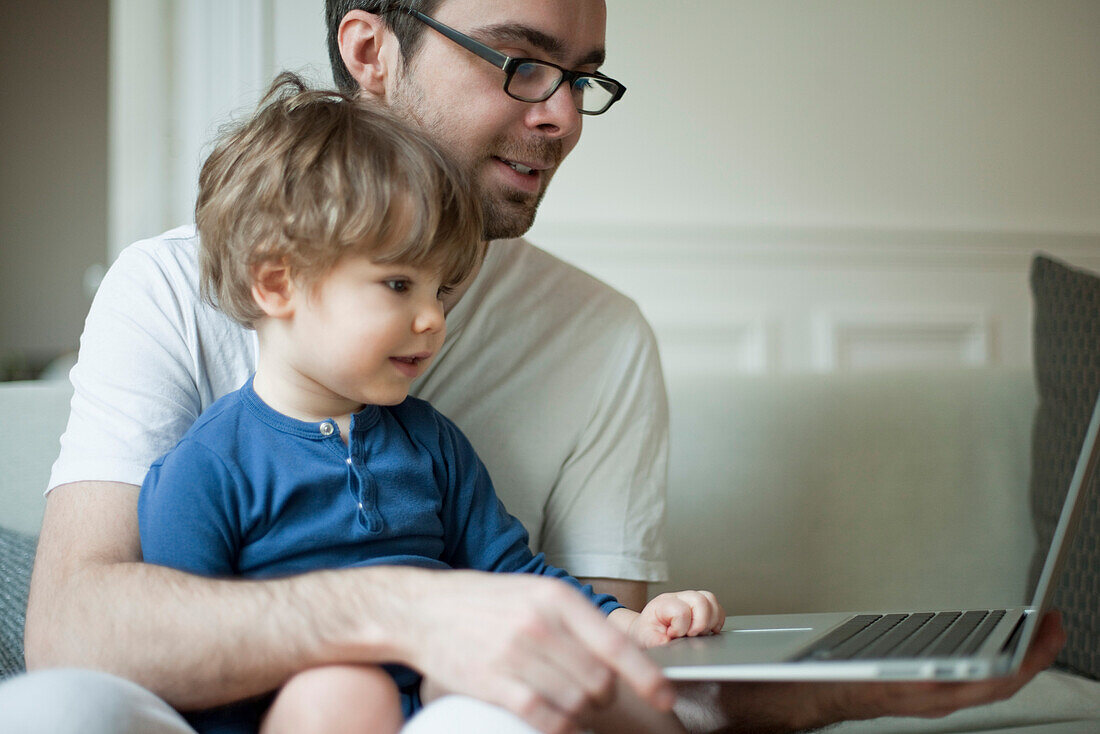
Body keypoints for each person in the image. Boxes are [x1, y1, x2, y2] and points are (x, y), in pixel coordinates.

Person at [2, 1, 1063, 733]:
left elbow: (584, 674)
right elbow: (90, 624)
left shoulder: (590, 346)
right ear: (371, 49)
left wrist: (841, 684)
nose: (558, 113)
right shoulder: (168, 291)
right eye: (517, 58)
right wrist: (400, 612)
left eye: (581, 75)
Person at [137, 71, 724, 734]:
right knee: (343, 692)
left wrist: (630, 623)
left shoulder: (430, 442)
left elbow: (511, 573)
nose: (432, 320)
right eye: (397, 285)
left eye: (441, 291)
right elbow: (188, 659)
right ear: (276, 283)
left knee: (505, 680)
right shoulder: (207, 467)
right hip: (313, 715)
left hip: (438, 709)